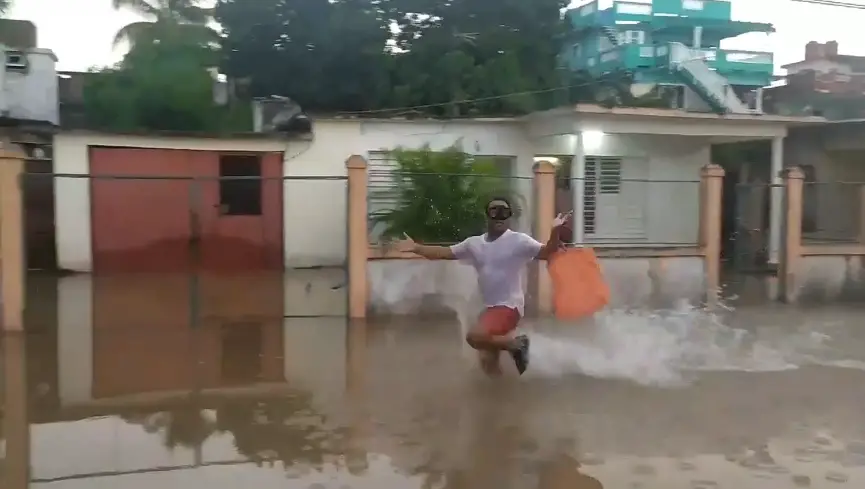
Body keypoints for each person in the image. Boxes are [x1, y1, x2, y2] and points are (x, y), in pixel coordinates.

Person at [395, 197, 572, 376]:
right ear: (487, 216)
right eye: (494, 212)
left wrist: (555, 230)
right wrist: (417, 248)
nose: (499, 217)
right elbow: (444, 252)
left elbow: (547, 252)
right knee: (487, 361)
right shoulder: (474, 244)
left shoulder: (519, 241)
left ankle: (517, 344)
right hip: (491, 307)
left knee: (474, 337)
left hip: (509, 306)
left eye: (504, 212)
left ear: (510, 217)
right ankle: (502, 396)